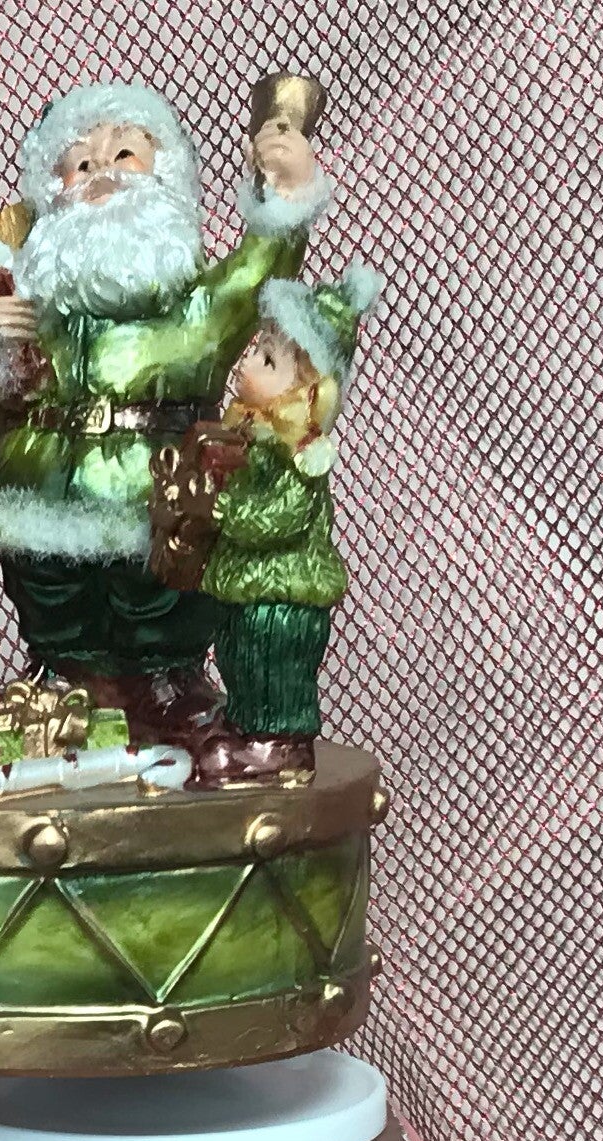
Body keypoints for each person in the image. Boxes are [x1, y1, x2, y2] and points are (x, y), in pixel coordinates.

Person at [0, 79, 331, 740]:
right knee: (49, 588)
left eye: (124, 154)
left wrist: (287, 195)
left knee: (158, 591)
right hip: (41, 485)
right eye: (81, 162)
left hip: (158, 486)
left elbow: (260, 267)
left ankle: (164, 680)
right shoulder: (35, 302)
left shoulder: (201, 304)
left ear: (164, 176)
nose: (102, 173)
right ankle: (59, 676)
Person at [197, 260, 383, 779]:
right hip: (245, 583)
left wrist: (223, 510)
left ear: (308, 392)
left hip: (283, 590)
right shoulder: (252, 439)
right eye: (256, 350)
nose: (247, 365)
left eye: (267, 360)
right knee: (236, 652)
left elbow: (283, 517)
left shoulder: (300, 454)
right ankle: (245, 724)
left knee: (271, 658)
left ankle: (282, 741)